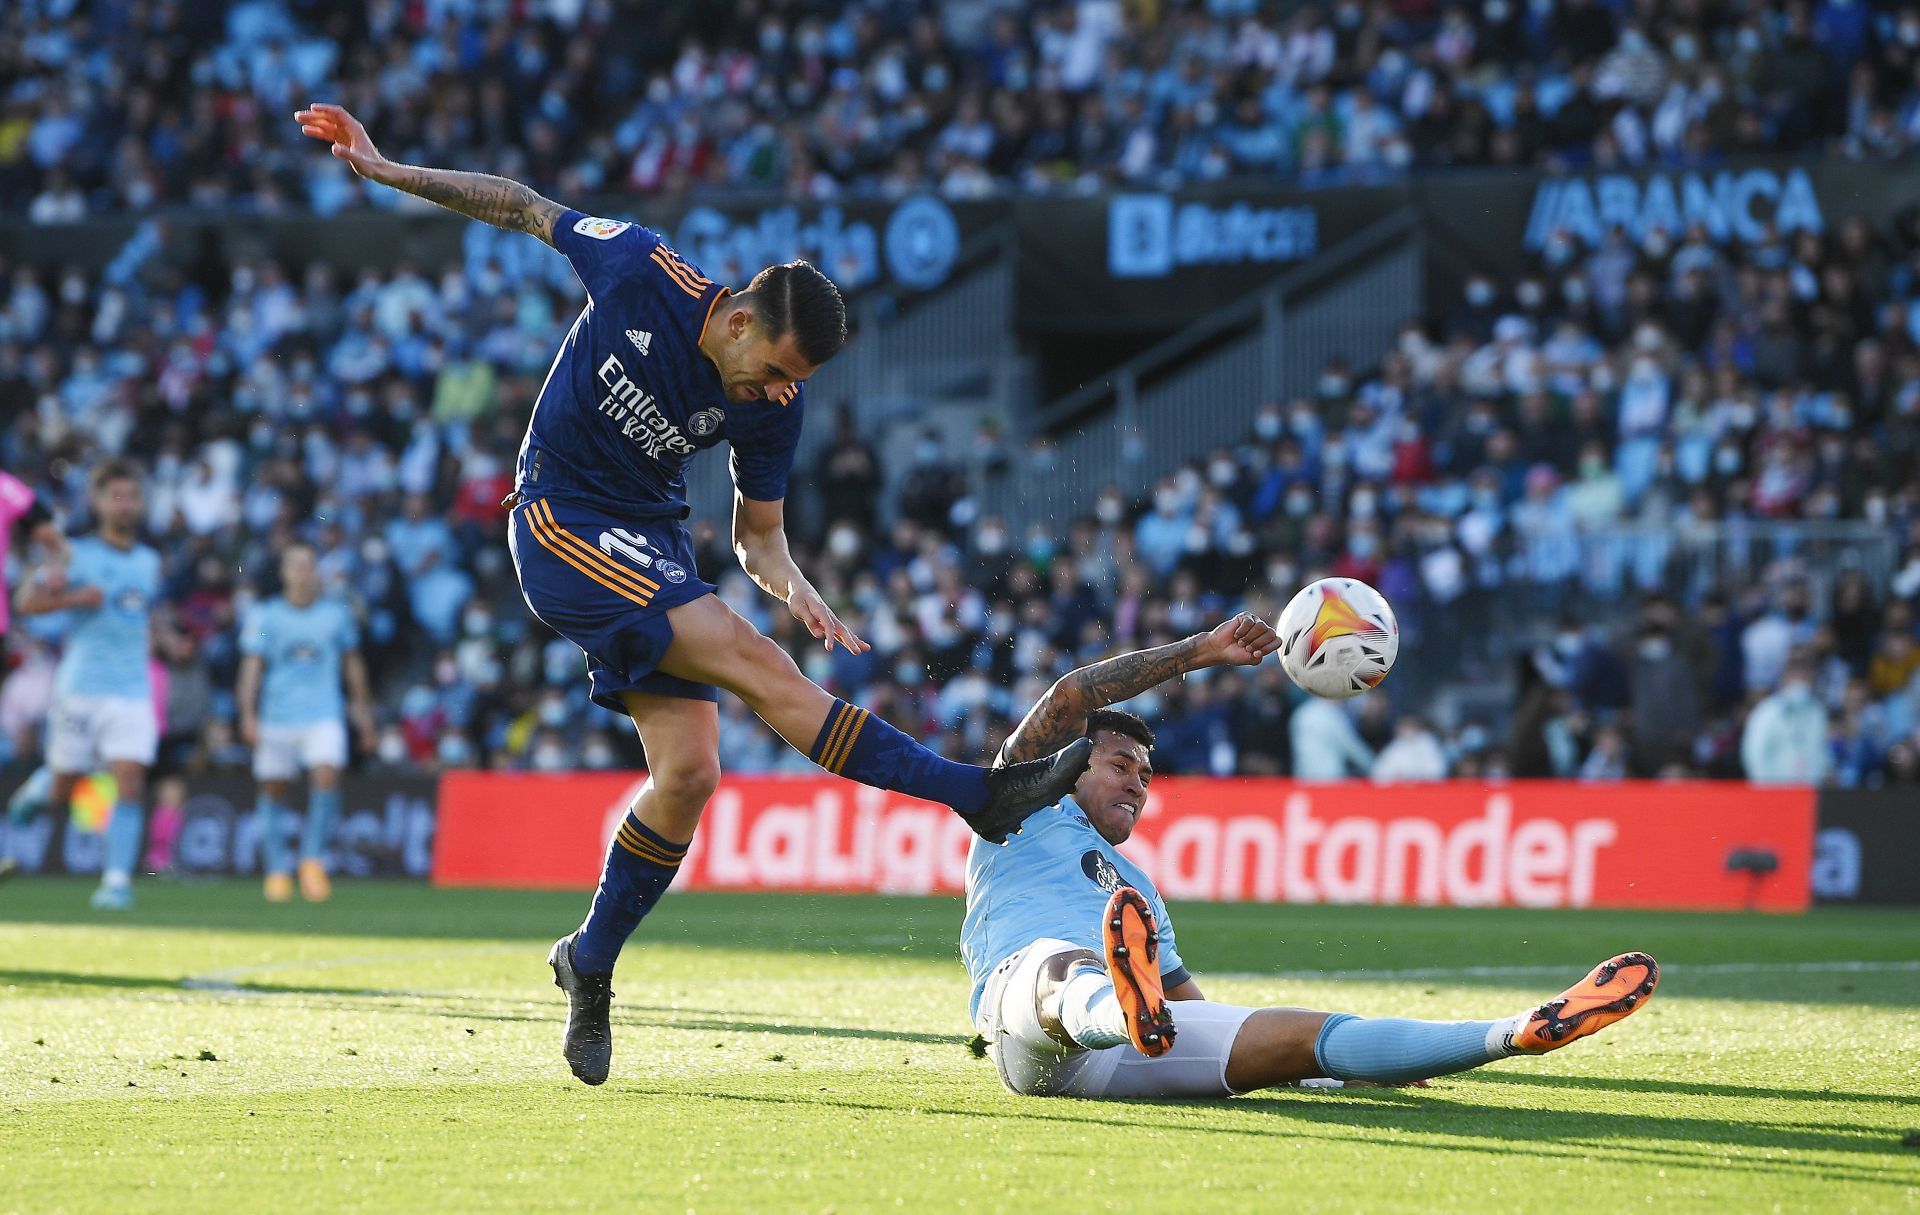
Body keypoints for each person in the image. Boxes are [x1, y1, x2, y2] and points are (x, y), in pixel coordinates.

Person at [295, 103, 1090, 1085]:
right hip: (558, 519)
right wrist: (381, 166)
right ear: (742, 318)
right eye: (771, 368)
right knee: (756, 666)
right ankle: (978, 795)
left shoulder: (776, 405)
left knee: (691, 774)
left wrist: (795, 586)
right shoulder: (640, 267)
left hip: (652, 544)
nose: (770, 392)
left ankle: (588, 960)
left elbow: (760, 539)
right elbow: (514, 205)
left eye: (788, 383)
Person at [967, 613, 1659, 1099]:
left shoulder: (1139, 888)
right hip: (1027, 1024)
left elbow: (1191, 1017)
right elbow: (1072, 694)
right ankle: (1119, 1001)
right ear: (1073, 766)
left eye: (1147, 777)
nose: (1137, 785)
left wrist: (1308, 1065)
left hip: (1127, 1052)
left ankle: (1513, 1032)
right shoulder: (1019, 805)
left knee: (1311, 1033)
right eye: (1121, 766)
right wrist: (1203, 651)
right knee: (1063, 964)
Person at [12, 461, 164, 910]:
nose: (125, 504)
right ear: (97, 502)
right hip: (81, 688)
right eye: (115, 496)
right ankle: (43, 787)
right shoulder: (74, 553)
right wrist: (75, 598)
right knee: (66, 786)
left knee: (130, 780)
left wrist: (164, 639)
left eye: (131, 496)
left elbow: (139, 616)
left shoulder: (149, 561)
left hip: (132, 690)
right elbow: (26, 601)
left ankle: (116, 881)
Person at [236, 542, 376, 903]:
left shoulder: (334, 615)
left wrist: (363, 716)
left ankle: (312, 860)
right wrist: (247, 714)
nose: (303, 572)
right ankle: (277, 870)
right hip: (276, 715)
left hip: (323, 713)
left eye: (309, 565)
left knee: (327, 774)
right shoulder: (266, 616)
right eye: (295, 565)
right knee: (273, 789)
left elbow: (352, 666)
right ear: (283, 572)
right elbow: (252, 667)